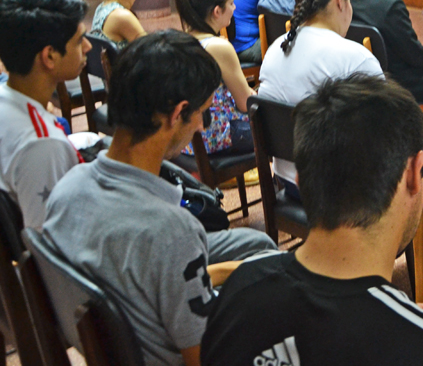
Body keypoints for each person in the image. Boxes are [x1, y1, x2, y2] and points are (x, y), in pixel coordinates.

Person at [202, 75, 423, 366]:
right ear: (414, 174)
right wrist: (403, 320)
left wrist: (394, 315)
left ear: (300, 180)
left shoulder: (236, 296)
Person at [43, 30, 277, 366]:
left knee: (258, 250)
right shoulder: (173, 230)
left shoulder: (66, 188)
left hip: (124, 328)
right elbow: (203, 358)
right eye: (203, 114)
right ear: (178, 113)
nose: (201, 127)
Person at [258, 0, 382, 200]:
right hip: (338, 194)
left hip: (287, 182)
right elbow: (381, 134)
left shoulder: (275, 49)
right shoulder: (355, 58)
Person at [0, 0, 96, 230]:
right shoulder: (43, 145)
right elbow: (48, 240)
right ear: (49, 56)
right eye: (79, 40)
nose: (88, 47)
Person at [175, 0, 255, 155]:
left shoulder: (182, 40)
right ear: (217, 11)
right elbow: (245, 104)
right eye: (231, 3)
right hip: (216, 135)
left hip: (185, 139)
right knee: (281, 128)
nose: (234, 8)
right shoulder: (218, 47)